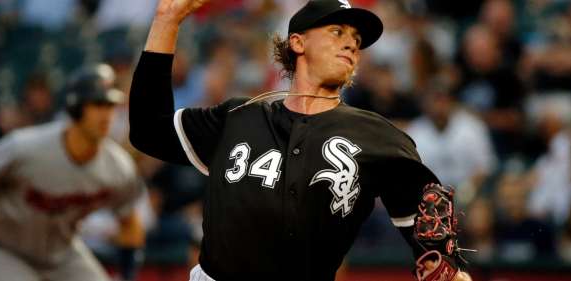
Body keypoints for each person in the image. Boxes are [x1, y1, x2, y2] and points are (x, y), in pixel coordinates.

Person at [129, 0, 473, 280]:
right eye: (337, 31)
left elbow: (436, 250)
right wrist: (167, 20)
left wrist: (444, 266)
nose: (352, 43)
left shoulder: (378, 137)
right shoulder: (239, 118)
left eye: (356, 38)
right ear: (297, 42)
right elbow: (148, 131)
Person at [0, 64, 144, 281]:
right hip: (2, 248)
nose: (107, 114)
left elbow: (130, 224)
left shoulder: (117, 166)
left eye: (110, 105)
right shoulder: (25, 147)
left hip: (61, 254)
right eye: (98, 104)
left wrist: (127, 275)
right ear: (75, 107)